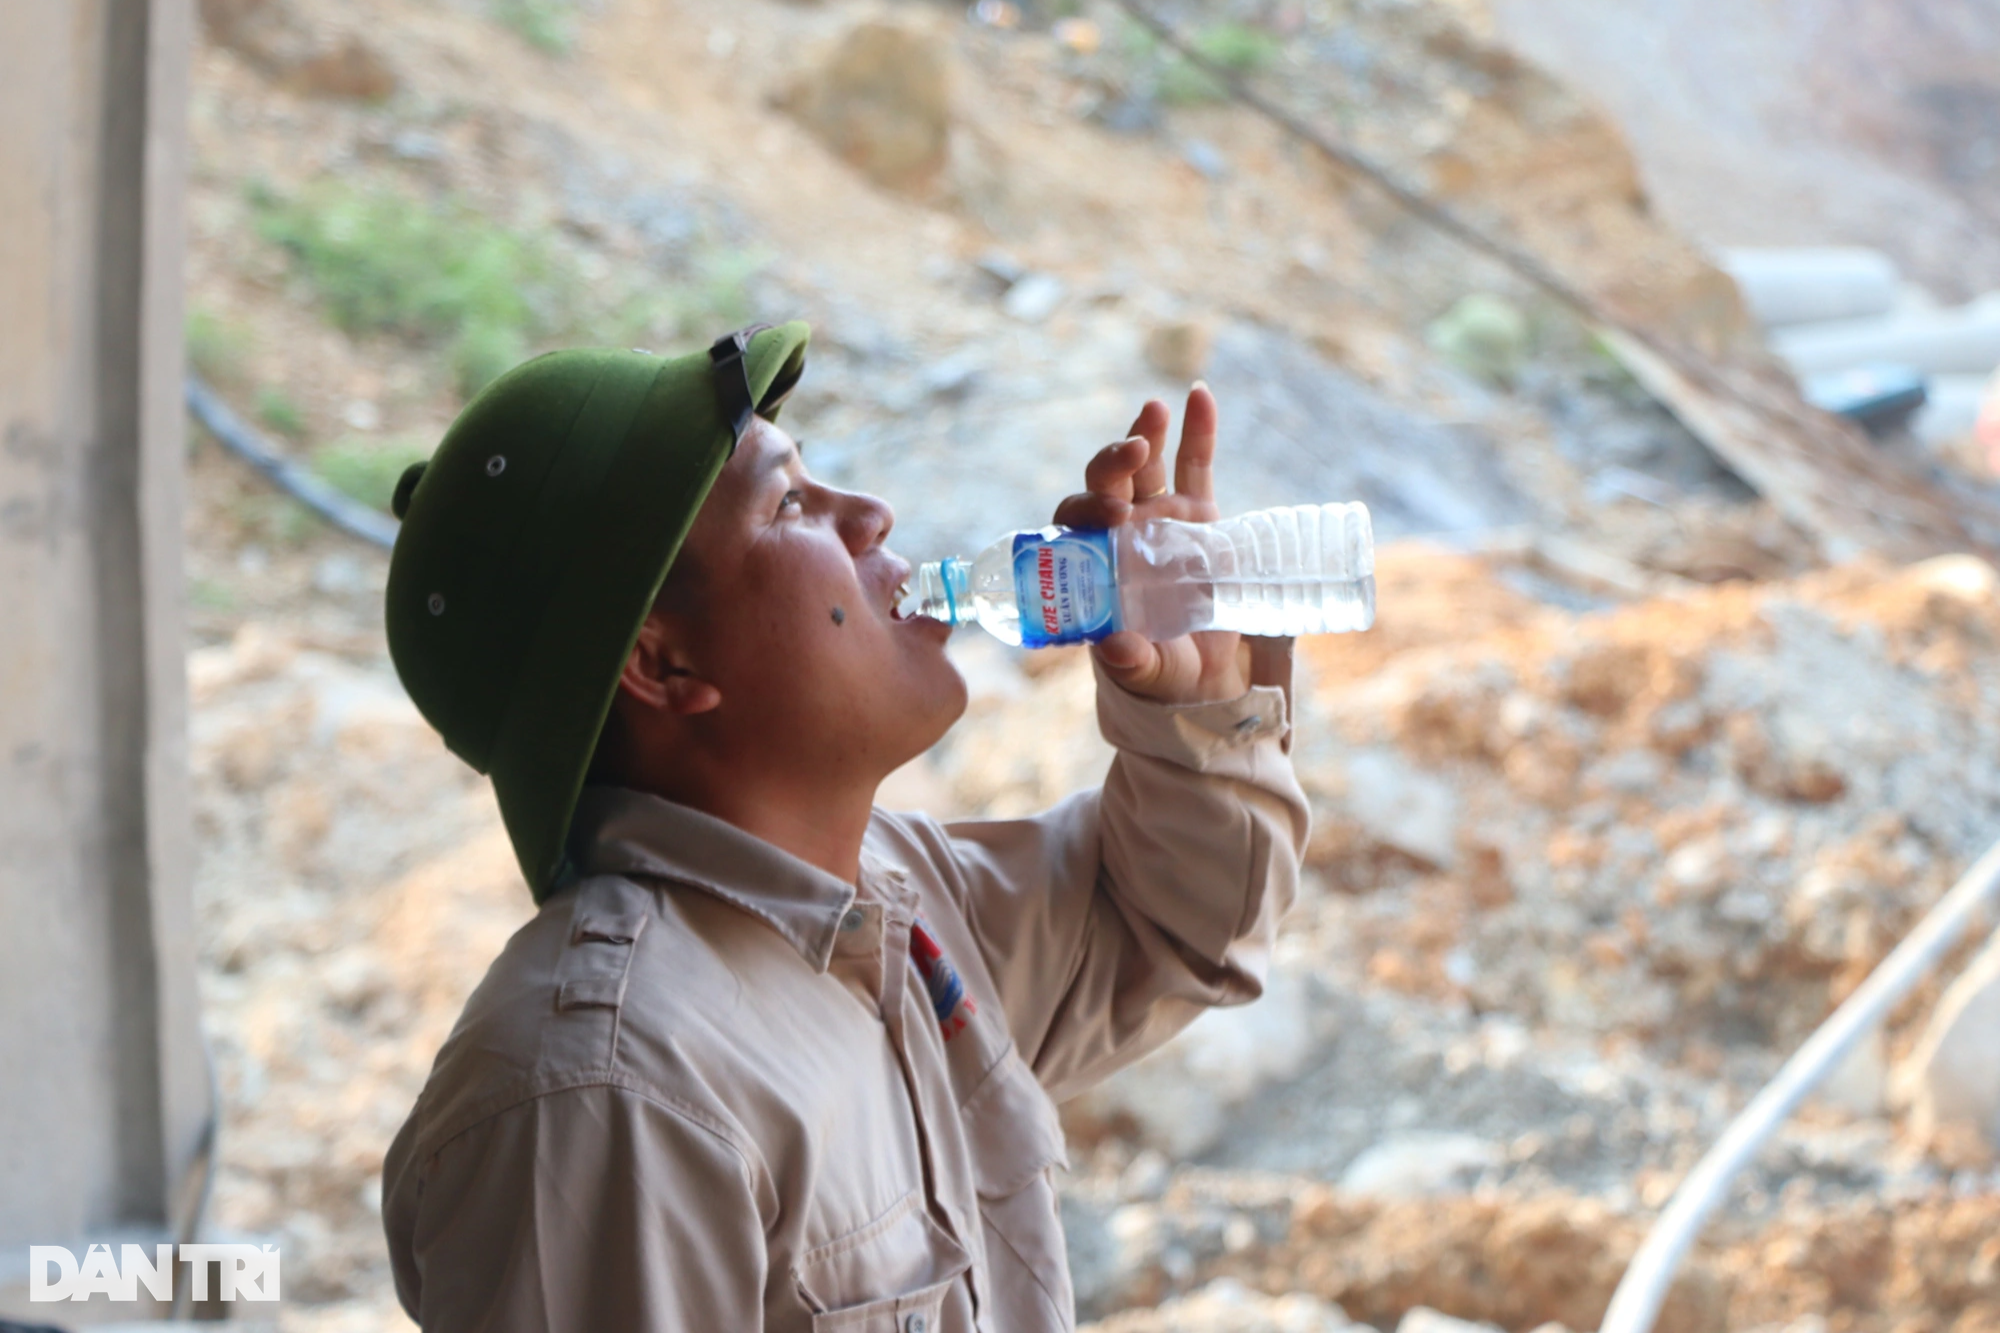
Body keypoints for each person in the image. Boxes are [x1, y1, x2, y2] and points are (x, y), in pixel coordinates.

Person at [378, 323, 1309, 1332]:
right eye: (789, 504)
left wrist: (1193, 716)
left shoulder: (892, 897)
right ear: (662, 665)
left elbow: (1174, 930)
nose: (870, 516)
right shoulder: (604, 1093)